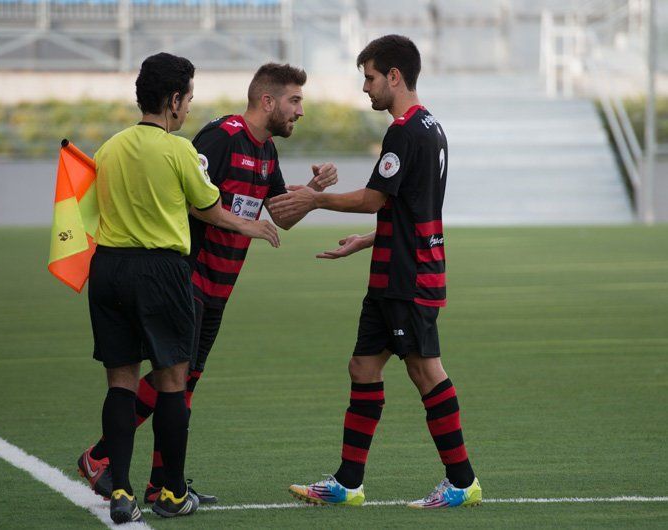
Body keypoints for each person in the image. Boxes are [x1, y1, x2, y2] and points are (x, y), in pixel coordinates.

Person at [78, 62, 338, 505]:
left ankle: (158, 482)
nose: (300, 111)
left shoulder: (267, 151)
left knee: (183, 382)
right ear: (268, 100)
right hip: (187, 277)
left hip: (219, 285)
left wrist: (311, 196)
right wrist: (240, 225)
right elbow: (192, 197)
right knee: (173, 380)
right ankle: (118, 464)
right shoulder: (221, 137)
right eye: (295, 101)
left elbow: (278, 215)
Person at [268, 35, 482, 509]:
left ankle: (463, 483)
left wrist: (315, 198)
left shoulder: (405, 130)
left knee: (426, 372)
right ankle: (348, 483)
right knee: (363, 367)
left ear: (394, 76)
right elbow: (411, 206)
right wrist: (367, 241)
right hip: (395, 271)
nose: (365, 88)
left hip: (409, 278)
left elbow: (374, 199)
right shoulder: (432, 126)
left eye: (369, 77)